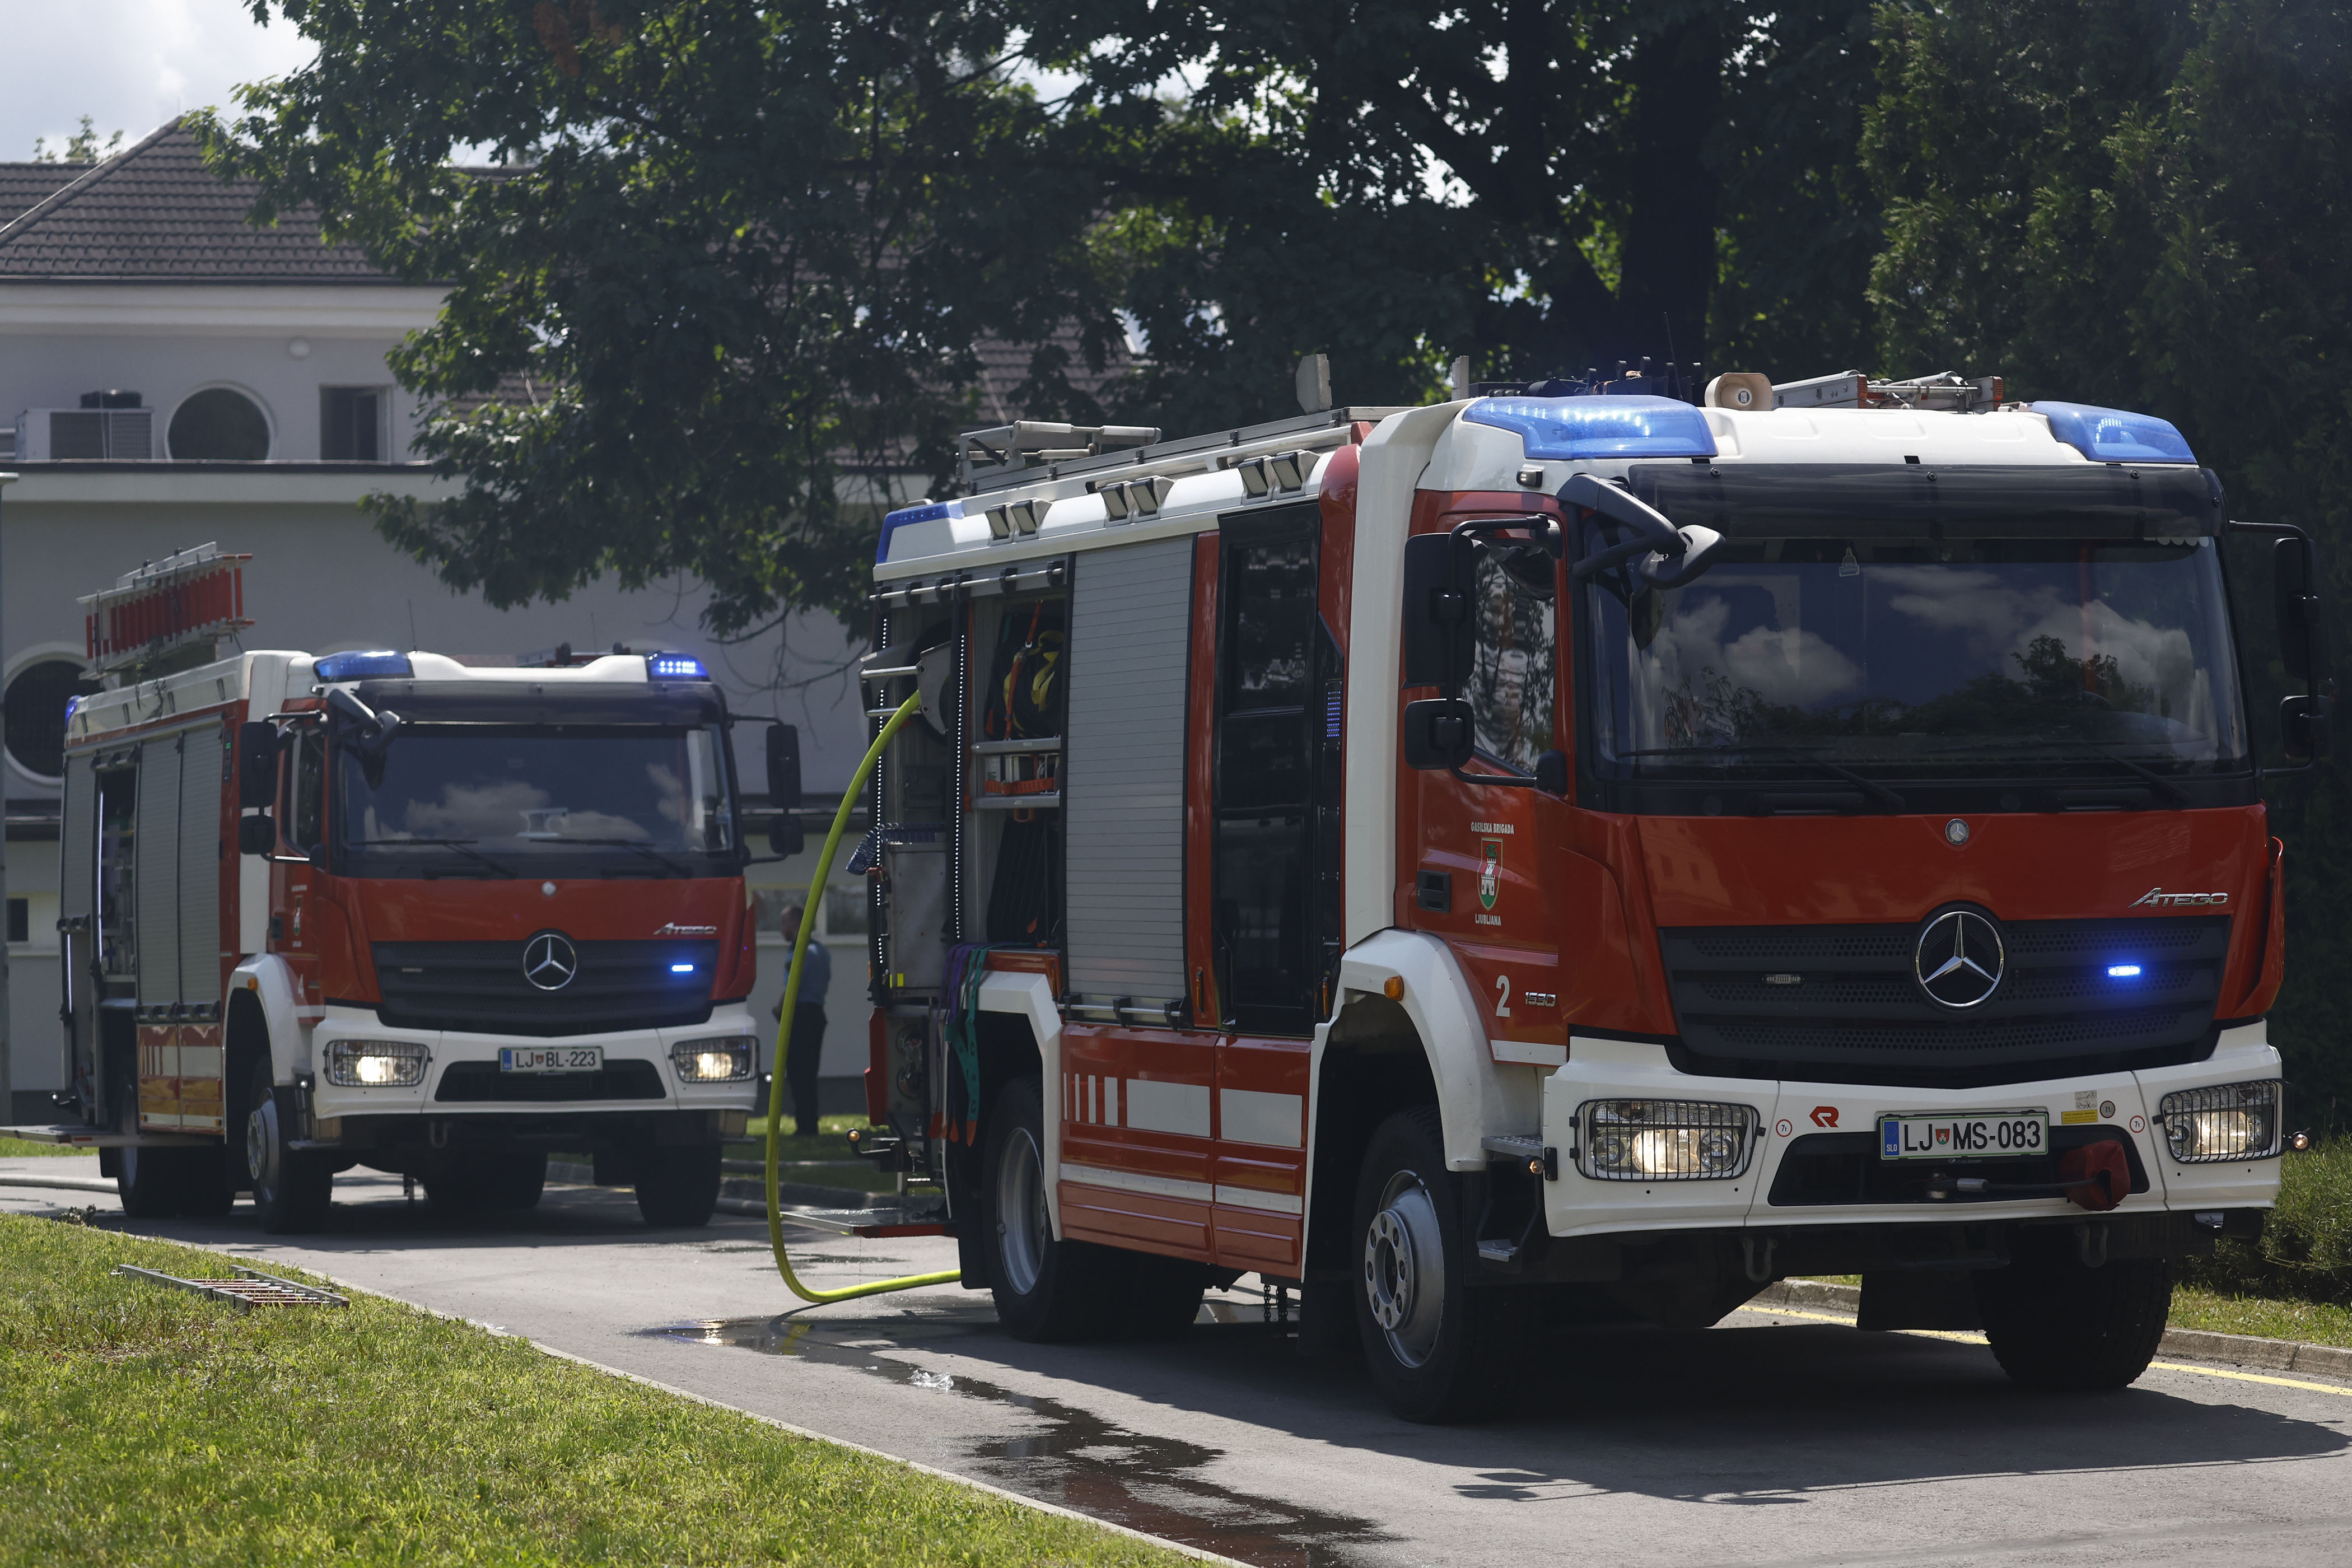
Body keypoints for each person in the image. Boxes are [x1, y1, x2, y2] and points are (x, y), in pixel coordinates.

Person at [770, 903, 829, 1137]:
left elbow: (793, 985)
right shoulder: (822, 952)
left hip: (801, 1016)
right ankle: (809, 1124)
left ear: (794, 924)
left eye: (784, 924)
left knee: (797, 1071)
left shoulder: (800, 951)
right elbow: (824, 988)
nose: (782, 929)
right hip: (816, 1015)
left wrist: (779, 1009)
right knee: (809, 1072)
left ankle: (804, 1127)